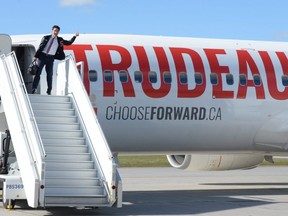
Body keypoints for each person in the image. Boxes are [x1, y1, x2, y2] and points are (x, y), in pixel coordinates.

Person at [32, 25, 79, 95]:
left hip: (51, 58)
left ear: (58, 32)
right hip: (42, 56)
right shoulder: (46, 38)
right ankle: (34, 88)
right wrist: (36, 56)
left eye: (57, 31)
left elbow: (69, 43)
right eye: (54, 30)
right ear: (52, 30)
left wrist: (74, 36)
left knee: (49, 74)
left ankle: (49, 90)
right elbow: (40, 47)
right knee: (38, 73)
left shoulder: (60, 40)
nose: (56, 32)